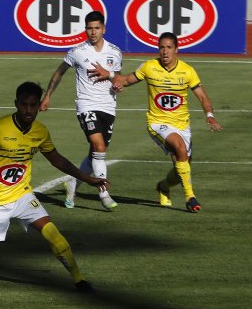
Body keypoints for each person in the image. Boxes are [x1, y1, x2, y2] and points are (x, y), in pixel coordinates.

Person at [0, 81, 108, 292]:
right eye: (24, 105)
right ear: (16, 104)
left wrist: (87, 178)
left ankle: (79, 280)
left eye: (33, 105)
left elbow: (57, 160)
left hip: (21, 194)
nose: (29, 110)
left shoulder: (40, 131)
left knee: (52, 233)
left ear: (39, 105)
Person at [89, 32, 223, 213]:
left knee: (181, 168)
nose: (165, 52)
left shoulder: (188, 71)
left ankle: (163, 186)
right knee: (180, 147)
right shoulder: (149, 67)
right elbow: (126, 80)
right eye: (161, 47)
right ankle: (190, 197)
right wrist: (110, 74)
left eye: (169, 48)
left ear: (176, 49)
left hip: (182, 124)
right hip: (157, 123)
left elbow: (202, 96)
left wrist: (209, 115)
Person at [40, 11, 122, 211]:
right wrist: (48, 95)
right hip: (86, 105)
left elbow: (118, 78)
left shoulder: (115, 52)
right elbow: (59, 72)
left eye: (96, 28)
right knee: (99, 147)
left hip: (108, 106)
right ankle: (104, 193)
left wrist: (117, 84)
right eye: (89, 28)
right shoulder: (77, 51)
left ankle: (73, 184)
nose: (92, 32)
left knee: (96, 151)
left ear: (103, 29)